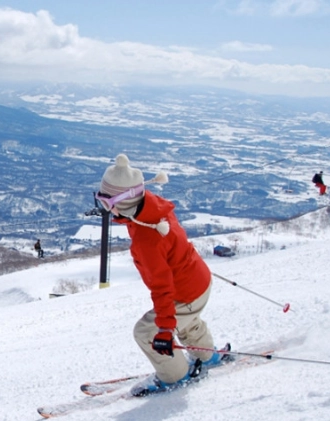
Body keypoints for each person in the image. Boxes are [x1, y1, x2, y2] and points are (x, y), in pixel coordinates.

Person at [95, 154, 231, 396]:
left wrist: (165, 330)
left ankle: (176, 376)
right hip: (198, 281)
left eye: (106, 202)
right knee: (188, 321)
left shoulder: (147, 238)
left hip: (185, 292)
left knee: (146, 332)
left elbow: (162, 288)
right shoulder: (151, 208)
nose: (104, 207)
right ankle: (207, 357)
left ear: (123, 202)